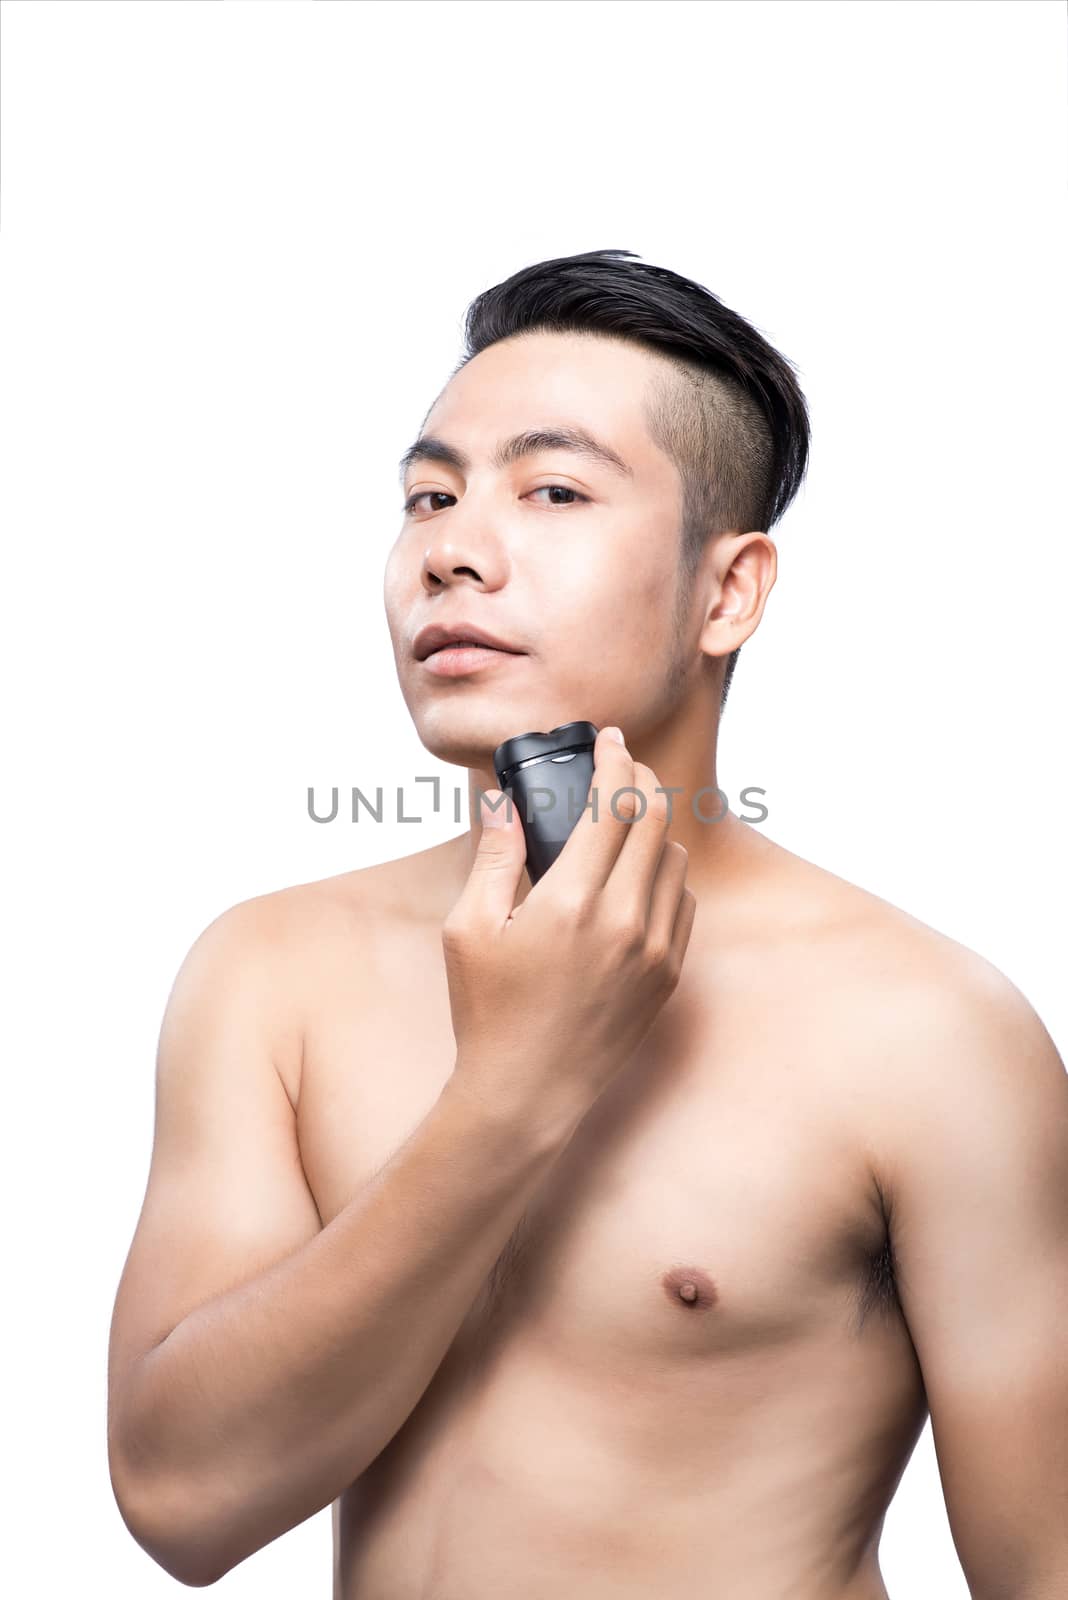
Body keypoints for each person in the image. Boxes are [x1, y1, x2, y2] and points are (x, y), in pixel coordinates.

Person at [106, 249, 1068, 1597]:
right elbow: (181, 1500)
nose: (451, 548)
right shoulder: (273, 976)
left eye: (552, 491)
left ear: (726, 592)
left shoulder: (930, 1032)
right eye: (427, 497)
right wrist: (511, 1086)